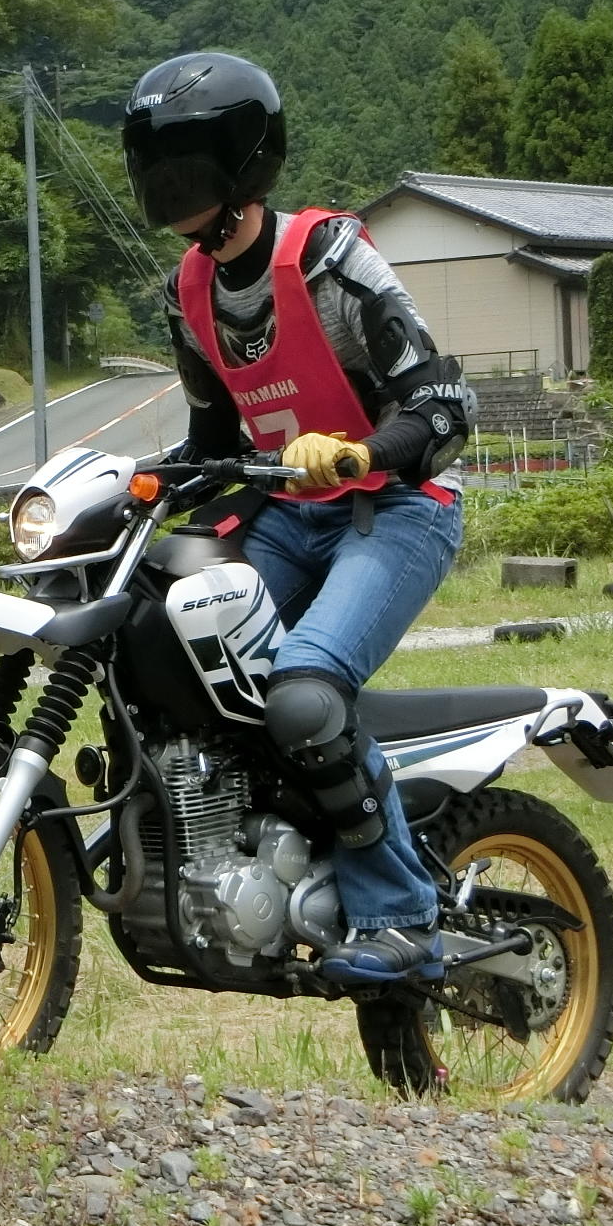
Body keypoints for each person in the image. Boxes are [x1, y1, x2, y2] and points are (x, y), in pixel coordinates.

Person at [122, 50, 473, 983]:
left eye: (187, 160)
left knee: (305, 693)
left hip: (396, 509)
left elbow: (442, 404)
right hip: (288, 513)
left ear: (242, 162)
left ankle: (402, 918)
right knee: (166, 648)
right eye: (156, 162)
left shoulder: (328, 258)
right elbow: (211, 438)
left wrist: (363, 450)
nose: (168, 182)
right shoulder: (187, 293)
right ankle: (268, 856)